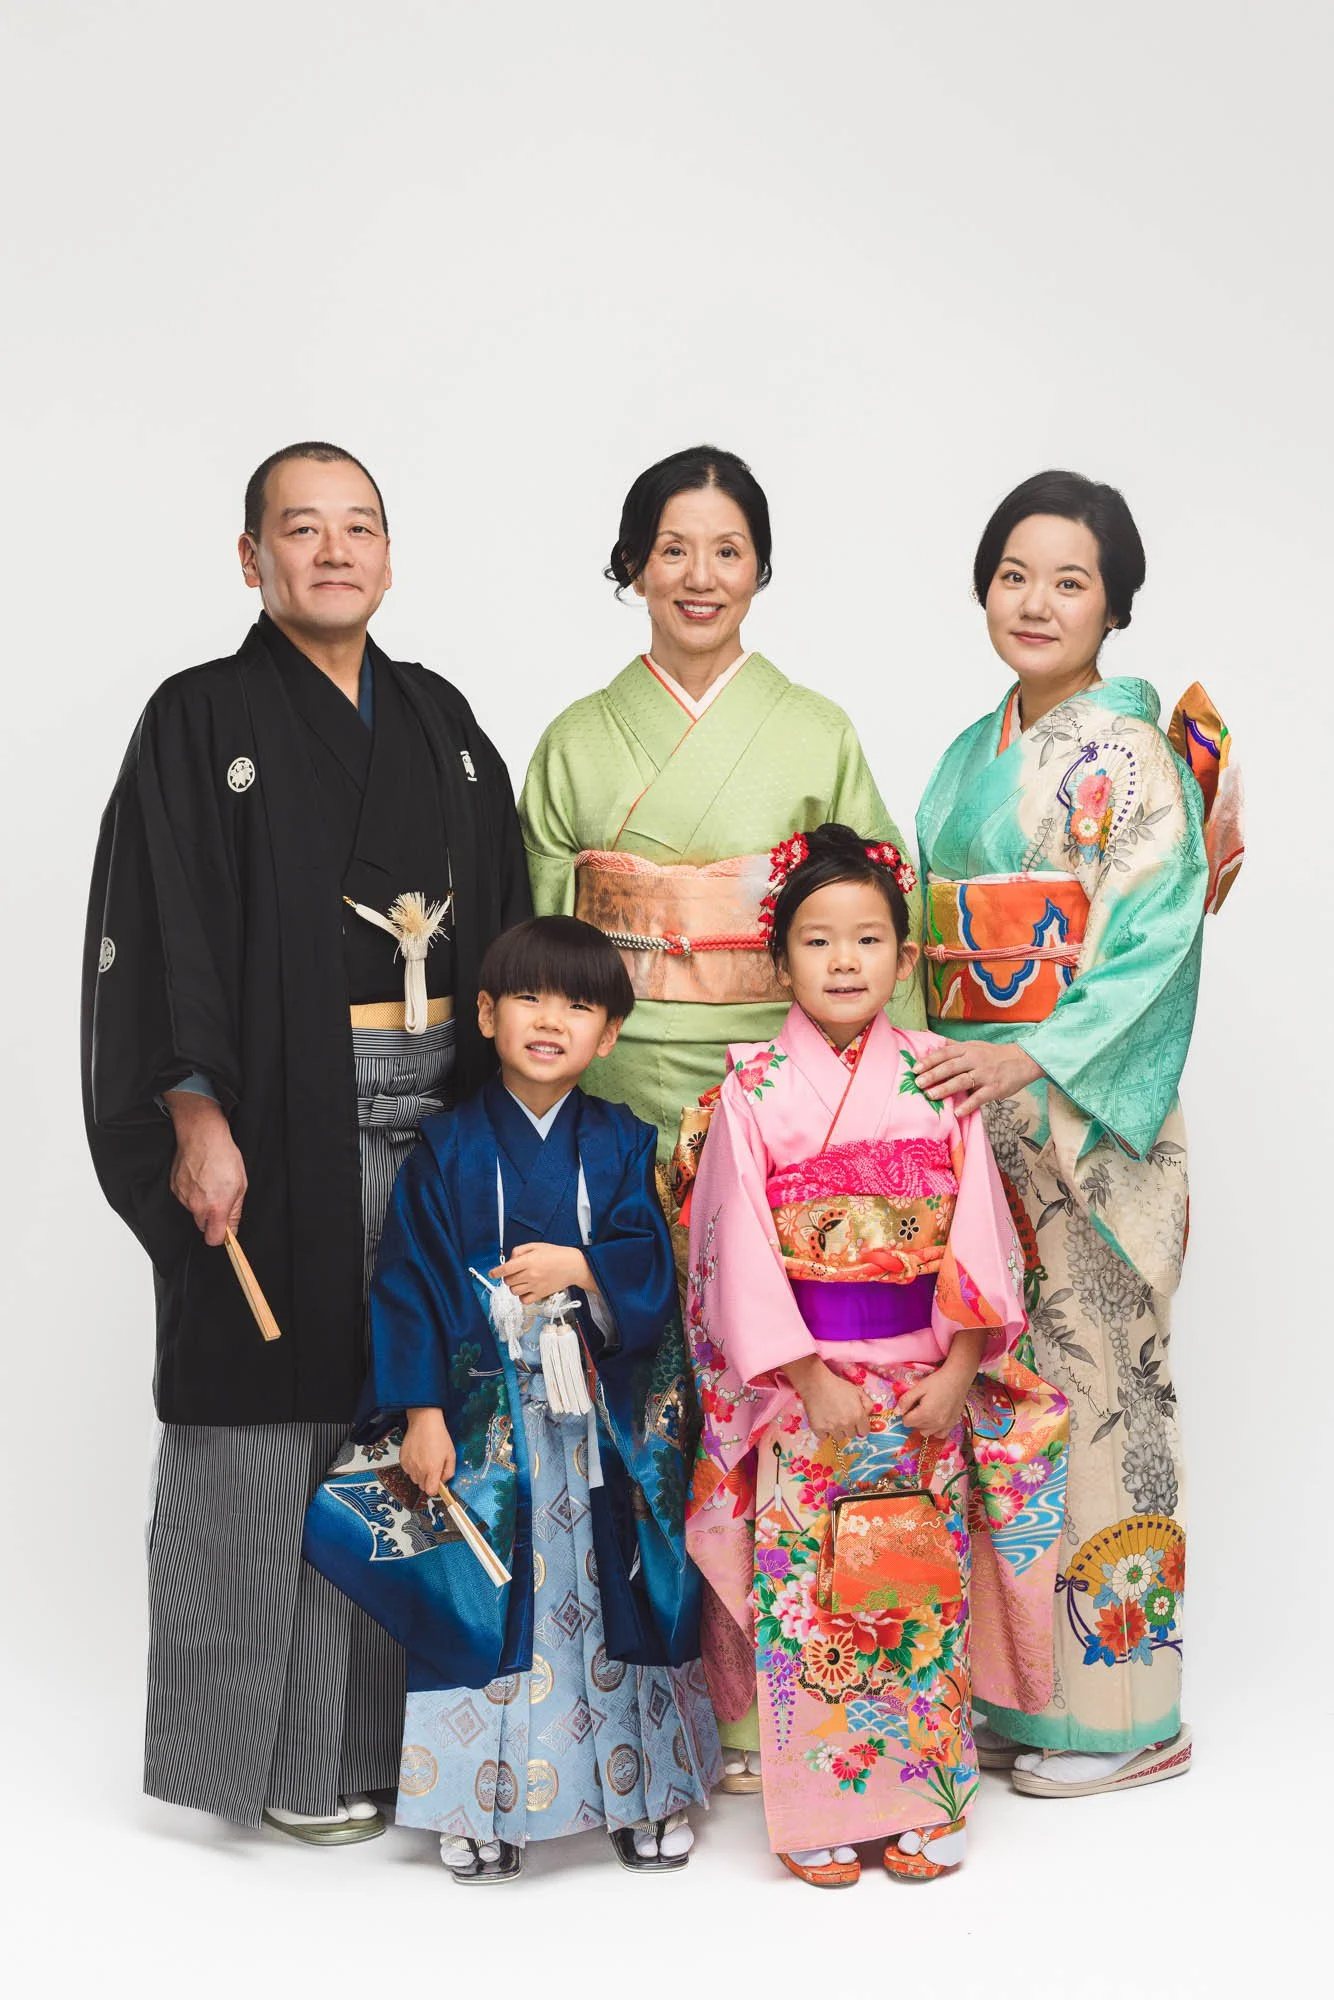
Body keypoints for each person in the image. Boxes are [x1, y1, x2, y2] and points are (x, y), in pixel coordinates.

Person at [82, 442, 531, 1841]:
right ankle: (251, 1763)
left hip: (437, 1106)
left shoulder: (442, 721)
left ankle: (380, 1754)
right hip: (278, 1109)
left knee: (411, 1416)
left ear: (388, 559)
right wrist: (195, 1115)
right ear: (251, 558)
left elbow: (508, 927)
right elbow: (159, 940)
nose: (333, 552)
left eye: (359, 530)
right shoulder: (196, 719)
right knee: (255, 1422)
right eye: (302, 529)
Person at [914, 470, 1239, 1798]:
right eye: (1013, 575)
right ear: (983, 586)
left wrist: (1029, 1055)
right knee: (997, 1407)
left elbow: (1152, 946)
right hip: (980, 1121)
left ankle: (1119, 1716)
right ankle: (1013, 1697)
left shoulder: (1131, 760)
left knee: (1099, 1404)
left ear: (1113, 605)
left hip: (1081, 1130)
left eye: (1069, 580)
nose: (1035, 602)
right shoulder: (964, 754)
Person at [683, 825, 1069, 1885]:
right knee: (812, 1597)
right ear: (780, 961)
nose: (843, 959)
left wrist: (957, 1369)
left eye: (866, 938)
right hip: (809, 1392)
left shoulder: (936, 1082)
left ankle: (923, 1803)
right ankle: (817, 1810)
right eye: (816, 939)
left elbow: (984, 1237)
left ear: (905, 957)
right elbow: (733, 1254)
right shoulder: (750, 1091)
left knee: (912, 1594)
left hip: (921, 1390)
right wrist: (804, 1374)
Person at [357, 916, 720, 1881]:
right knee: (486, 1596)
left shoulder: (620, 1139)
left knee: (624, 1591)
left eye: (580, 1004)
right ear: (484, 1013)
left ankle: (649, 1791)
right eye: (527, 997)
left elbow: (653, 1270)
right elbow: (408, 1284)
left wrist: (586, 1267)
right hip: (486, 1418)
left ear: (609, 1036)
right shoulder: (444, 1149)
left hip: (594, 1408)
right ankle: (477, 1802)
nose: (550, 1020)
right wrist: (422, 1412)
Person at [519, 443, 924, 1165]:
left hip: (788, 1083)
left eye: (728, 552)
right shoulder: (574, 740)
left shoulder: (816, 731)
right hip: (607, 1077)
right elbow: (535, 944)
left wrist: (898, 1096)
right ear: (635, 564)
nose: (700, 577)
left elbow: (886, 913)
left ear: (758, 570)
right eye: (672, 550)